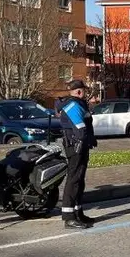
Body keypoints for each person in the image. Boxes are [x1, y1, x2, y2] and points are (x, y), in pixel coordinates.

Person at [55, 79, 97, 229]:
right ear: (79, 91)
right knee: (73, 180)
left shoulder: (78, 104)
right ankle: (69, 217)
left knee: (79, 180)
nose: (86, 93)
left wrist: (90, 140)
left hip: (80, 145)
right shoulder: (73, 105)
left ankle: (78, 213)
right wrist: (83, 140)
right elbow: (80, 127)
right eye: (84, 90)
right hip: (75, 146)